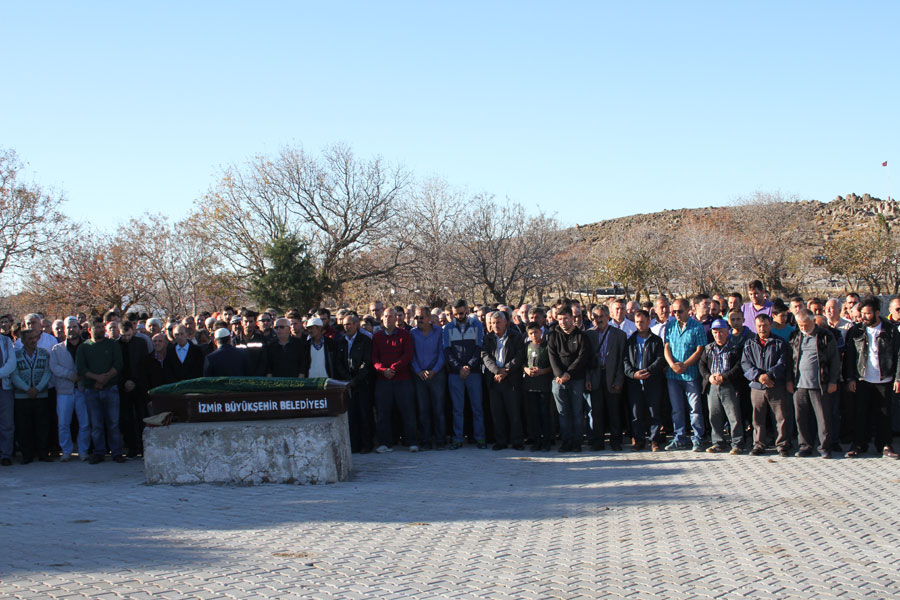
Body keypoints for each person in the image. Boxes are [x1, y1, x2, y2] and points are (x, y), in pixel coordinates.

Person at [843, 297, 900, 459]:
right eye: (862, 313)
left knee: (884, 414)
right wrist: (850, 378)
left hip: (885, 379)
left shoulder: (890, 330)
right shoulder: (857, 331)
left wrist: (898, 378)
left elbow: (898, 354)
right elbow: (850, 356)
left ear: (877, 312)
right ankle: (859, 444)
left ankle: (885, 445)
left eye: (868, 313)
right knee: (860, 414)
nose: (864, 317)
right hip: (862, 379)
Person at [787, 309, 840, 459]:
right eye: (800, 325)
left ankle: (824, 447)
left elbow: (834, 360)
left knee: (823, 418)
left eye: (805, 324)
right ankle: (805, 446)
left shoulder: (825, 336)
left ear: (813, 321)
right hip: (799, 384)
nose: (803, 327)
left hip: (820, 383)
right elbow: (790, 360)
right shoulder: (795, 336)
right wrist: (789, 380)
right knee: (801, 418)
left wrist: (832, 381)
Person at [76, 319, 125, 464]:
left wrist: (105, 378)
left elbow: (118, 364)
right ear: (90, 330)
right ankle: (99, 452)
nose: (100, 330)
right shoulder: (83, 347)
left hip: (111, 389)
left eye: (101, 327)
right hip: (92, 390)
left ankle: (116, 452)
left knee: (114, 423)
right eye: (96, 327)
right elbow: (81, 368)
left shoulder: (112, 345)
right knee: (96, 424)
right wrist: (96, 378)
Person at [741, 314, 792, 457]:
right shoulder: (750, 343)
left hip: (776, 385)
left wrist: (769, 376)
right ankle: (758, 445)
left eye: (765, 325)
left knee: (780, 417)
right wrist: (759, 377)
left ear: (770, 325)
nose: (762, 328)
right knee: (757, 418)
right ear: (755, 326)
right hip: (757, 387)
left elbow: (782, 363)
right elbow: (745, 364)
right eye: (759, 326)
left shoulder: (779, 342)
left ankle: (782, 445)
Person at [663, 298, 707, 451]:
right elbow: (666, 347)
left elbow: (699, 349)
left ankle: (698, 438)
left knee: (694, 409)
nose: (676, 314)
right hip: (673, 375)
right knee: (677, 409)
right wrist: (672, 365)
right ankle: (679, 438)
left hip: (691, 374)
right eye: (673, 311)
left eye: (679, 311)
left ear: (689, 310)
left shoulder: (697, 327)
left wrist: (685, 365)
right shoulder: (670, 326)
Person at [443, 299, 487, 450]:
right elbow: (447, 351)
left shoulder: (477, 325)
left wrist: (468, 366)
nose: (459, 316)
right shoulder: (448, 328)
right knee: (457, 409)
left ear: (467, 310)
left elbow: (479, 348)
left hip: (473, 373)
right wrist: (459, 367)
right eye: (455, 314)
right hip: (456, 374)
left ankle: (480, 438)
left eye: (461, 313)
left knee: (477, 407)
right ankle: (457, 438)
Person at [372, 308, 417, 453]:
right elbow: (374, 358)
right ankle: (385, 443)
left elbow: (408, 355)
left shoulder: (405, 335)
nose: (388, 319)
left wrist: (393, 368)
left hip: (403, 379)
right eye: (385, 316)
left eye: (390, 316)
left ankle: (412, 441)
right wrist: (382, 370)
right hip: (383, 380)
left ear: (396, 318)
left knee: (407, 411)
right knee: (383, 413)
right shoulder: (377, 336)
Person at [698, 319, 745, 454]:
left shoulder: (735, 347)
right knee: (714, 415)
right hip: (712, 385)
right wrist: (709, 377)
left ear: (727, 332)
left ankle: (737, 443)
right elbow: (702, 365)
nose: (718, 335)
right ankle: (718, 442)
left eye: (721, 332)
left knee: (733, 415)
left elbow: (738, 366)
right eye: (715, 332)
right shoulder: (708, 348)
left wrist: (725, 376)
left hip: (729, 385)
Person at [547, 305, 590, 452]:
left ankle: (577, 441)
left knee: (577, 412)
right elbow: (552, 356)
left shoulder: (581, 336)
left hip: (577, 379)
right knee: (563, 413)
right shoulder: (553, 335)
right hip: (558, 381)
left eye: (566, 318)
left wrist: (568, 374)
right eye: (560, 319)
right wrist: (560, 374)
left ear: (572, 318)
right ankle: (566, 441)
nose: (563, 322)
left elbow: (582, 357)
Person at [481, 311, 526, 451]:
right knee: (497, 412)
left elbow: (520, 356)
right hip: (494, 379)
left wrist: (506, 370)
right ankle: (501, 441)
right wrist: (496, 370)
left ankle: (517, 440)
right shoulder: (488, 338)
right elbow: (485, 356)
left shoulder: (516, 336)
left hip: (511, 378)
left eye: (498, 322)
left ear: (505, 322)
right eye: (493, 323)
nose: (495, 325)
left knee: (513, 412)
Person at [623, 310, 666, 451]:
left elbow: (660, 359)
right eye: (637, 322)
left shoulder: (656, 341)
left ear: (649, 321)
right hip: (635, 382)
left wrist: (648, 371)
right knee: (636, 413)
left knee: (654, 412)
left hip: (652, 381)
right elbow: (625, 361)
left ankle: (654, 440)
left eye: (642, 322)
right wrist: (633, 374)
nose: (639, 325)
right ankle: (639, 440)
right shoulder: (630, 341)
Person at [49, 318, 91, 462]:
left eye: (74, 327)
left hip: (82, 390)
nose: (71, 330)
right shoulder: (57, 348)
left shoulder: (87, 347)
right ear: (64, 330)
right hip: (64, 391)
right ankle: (66, 451)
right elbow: (54, 367)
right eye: (69, 327)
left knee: (84, 423)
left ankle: (83, 451)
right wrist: (70, 375)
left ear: (79, 329)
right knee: (63, 423)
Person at [585, 304, 626, 451]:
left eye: (601, 316)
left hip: (612, 376)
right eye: (595, 317)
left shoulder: (619, 335)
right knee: (596, 411)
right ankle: (598, 440)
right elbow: (586, 360)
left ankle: (615, 440)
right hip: (595, 376)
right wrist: (588, 379)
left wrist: (618, 380)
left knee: (614, 410)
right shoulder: (589, 334)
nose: (598, 320)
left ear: (608, 317)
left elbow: (622, 360)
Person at [11, 329, 53, 463]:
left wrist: (38, 388)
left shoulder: (44, 353)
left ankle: (43, 453)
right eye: (29, 338)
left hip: (41, 395)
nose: (33, 341)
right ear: (22, 341)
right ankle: (27, 455)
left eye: (35, 338)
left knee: (42, 425)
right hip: (22, 397)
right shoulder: (15, 355)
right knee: (24, 427)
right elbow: (14, 374)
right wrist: (27, 389)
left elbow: (47, 372)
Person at [411, 307, 446, 450]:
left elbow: (442, 353)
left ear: (429, 318)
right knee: (423, 409)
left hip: (436, 375)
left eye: (422, 317)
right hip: (419, 376)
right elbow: (411, 354)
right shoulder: (412, 333)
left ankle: (440, 440)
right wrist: (418, 371)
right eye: (417, 318)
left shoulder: (439, 332)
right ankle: (425, 440)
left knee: (438, 409)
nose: (419, 320)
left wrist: (434, 370)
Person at [344, 314, 374, 453]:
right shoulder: (341, 341)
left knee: (364, 415)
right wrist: (346, 378)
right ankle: (354, 445)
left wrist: (356, 380)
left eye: (349, 324)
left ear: (356, 325)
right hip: (346, 384)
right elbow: (339, 362)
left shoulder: (365, 340)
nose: (347, 327)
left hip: (362, 383)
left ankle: (366, 444)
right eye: (345, 325)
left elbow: (366, 363)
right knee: (352, 415)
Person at [523, 323, 554, 451]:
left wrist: (542, 371)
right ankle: (536, 440)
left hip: (544, 385)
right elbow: (523, 362)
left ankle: (547, 440)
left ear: (541, 332)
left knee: (545, 413)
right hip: (531, 385)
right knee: (533, 414)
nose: (534, 335)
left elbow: (553, 365)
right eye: (531, 333)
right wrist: (526, 369)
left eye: (536, 332)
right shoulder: (527, 346)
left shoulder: (547, 346)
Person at [0, 325, 16, 466]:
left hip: (4, 388)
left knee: (7, 424)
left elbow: (11, 363)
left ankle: (6, 454)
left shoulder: (6, 341)